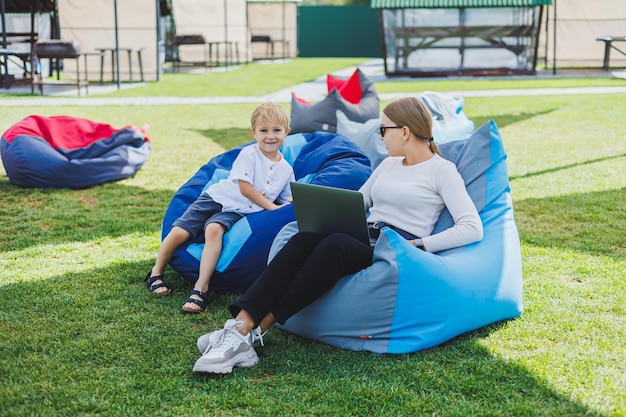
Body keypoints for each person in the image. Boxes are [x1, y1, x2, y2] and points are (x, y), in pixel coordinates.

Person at [192, 97, 484, 373]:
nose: (380, 136)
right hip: (362, 232)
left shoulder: (442, 171)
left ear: (405, 132)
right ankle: (241, 327)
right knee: (304, 238)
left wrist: (418, 244)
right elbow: (359, 202)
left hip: (393, 245)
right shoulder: (389, 164)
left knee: (335, 245)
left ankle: (255, 331)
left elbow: (472, 227)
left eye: (384, 129)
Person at [144, 102, 295, 314]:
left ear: (287, 132)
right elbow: (244, 187)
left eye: (277, 130)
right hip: (218, 198)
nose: (270, 136)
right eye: (263, 130)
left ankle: (200, 288)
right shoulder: (249, 154)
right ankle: (155, 272)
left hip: (239, 211)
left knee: (213, 230)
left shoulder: (286, 169)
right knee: (180, 230)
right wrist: (271, 207)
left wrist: (286, 205)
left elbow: (288, 199)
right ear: (254, 133)